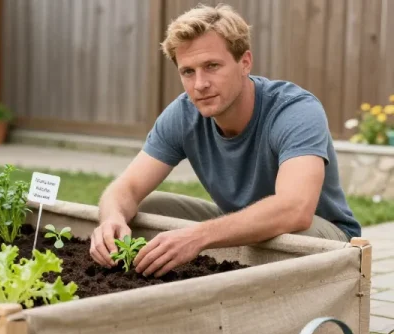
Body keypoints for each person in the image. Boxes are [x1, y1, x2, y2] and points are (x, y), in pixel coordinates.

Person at [89, 3, 361, 277]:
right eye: (188, 71)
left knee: (284, 238)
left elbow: (295, 210)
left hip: (324, 239)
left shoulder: (295, 111)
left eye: (212, 66)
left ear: (244, 62)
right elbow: (127, 187)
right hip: (249, 231)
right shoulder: (183, 114)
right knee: (146, 208)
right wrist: (111, 218)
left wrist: (197, 236)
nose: (200, 84)